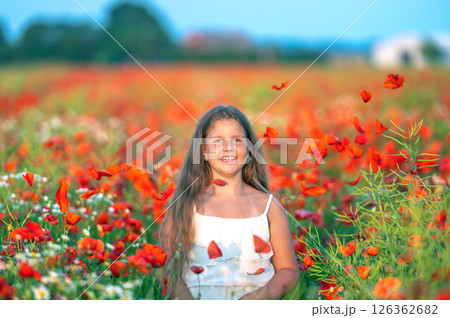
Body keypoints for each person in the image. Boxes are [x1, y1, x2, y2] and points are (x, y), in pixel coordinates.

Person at [157, 104, 299, 300]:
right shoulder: (186, 205)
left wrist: (258, 298)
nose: (228, 148)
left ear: (250, 150)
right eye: (217, 140)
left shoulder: (269, 207)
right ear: (203, 151)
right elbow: (167, 269)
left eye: (237, 140)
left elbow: (288, 270)